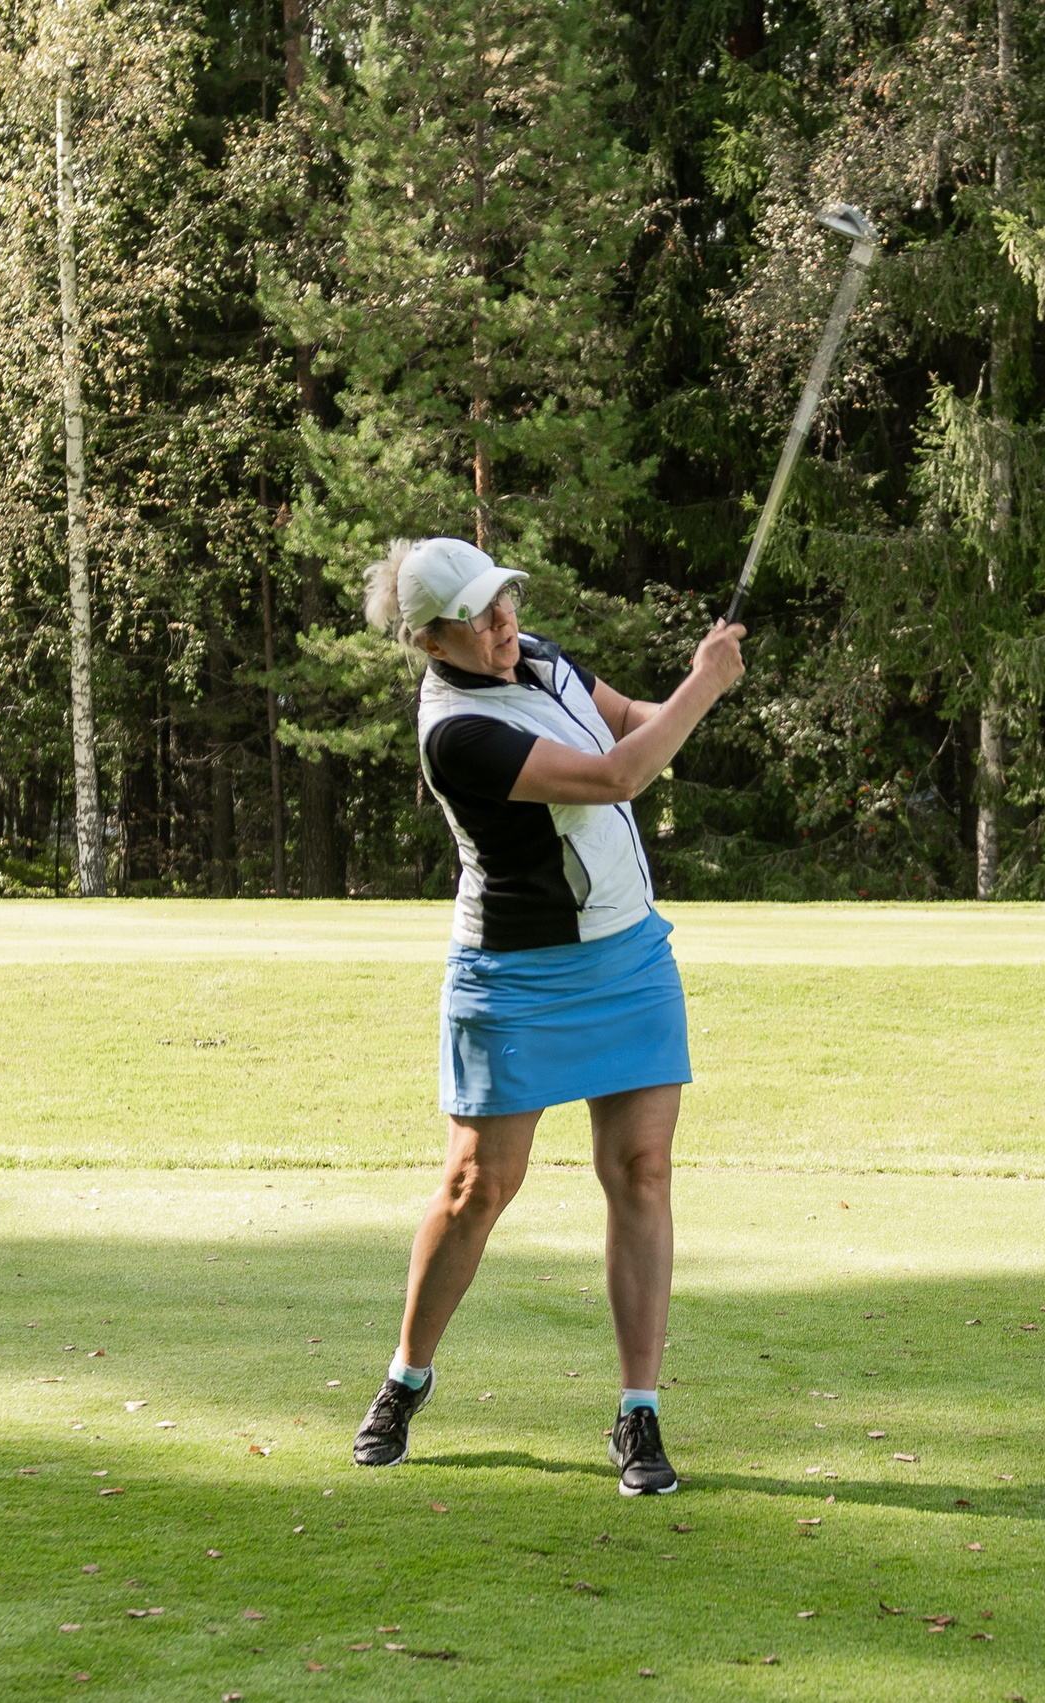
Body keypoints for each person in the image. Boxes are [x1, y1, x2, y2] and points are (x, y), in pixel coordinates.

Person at [349, 536, 746, 1496]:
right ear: (431, 640)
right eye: (478, 616)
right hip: (514, 973)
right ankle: (407, 1376)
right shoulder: (456, 733)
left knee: (641, 1170)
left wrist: (691, 700)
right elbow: (615, 777)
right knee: (477, 1187)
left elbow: (629, 726)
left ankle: (638, 1412)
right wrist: (704, 685)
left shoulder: (538, 656)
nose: (503, 622)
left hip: (627, 954)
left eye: (504, 599)